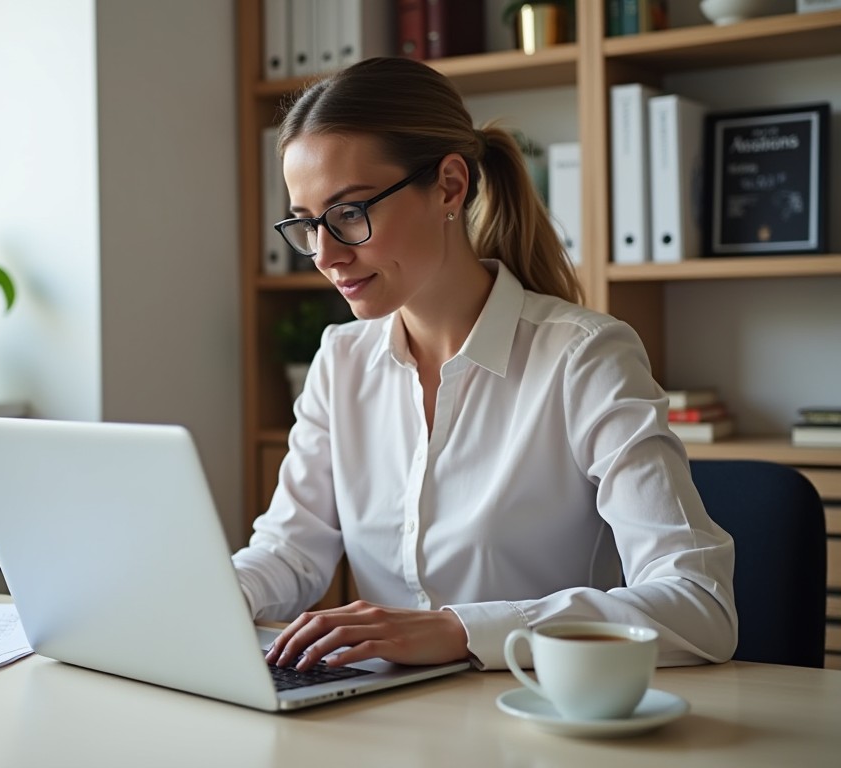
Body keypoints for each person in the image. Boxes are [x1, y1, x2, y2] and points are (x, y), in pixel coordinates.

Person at [232, 56, 737, 673]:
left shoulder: (583, 357)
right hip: (389, 723)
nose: (326, 255)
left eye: (348, 214)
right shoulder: (341, 361)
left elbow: (699, 604)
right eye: (308, 225)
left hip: (543, 713)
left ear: (449, 185)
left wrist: (459, 631)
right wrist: (198, 599)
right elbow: (288, 552)